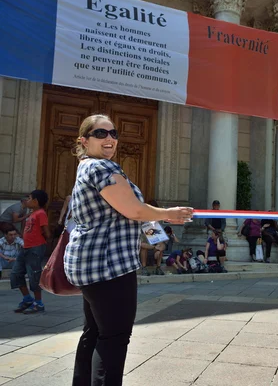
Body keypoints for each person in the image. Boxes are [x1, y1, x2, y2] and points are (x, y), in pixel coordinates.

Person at [64, 114, 193, 386]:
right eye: (100, 134)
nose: (110, 139)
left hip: (93, 262)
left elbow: (131, 213)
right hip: (108, 264)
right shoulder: (101, 169)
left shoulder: (88, 166)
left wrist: (156, 225)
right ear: (84, 141)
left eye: (113, 133)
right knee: (114, 337)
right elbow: (133, 210)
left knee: (95, 331)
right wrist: (169, 214)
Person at [11, 190, 51, 314]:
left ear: (35, 201)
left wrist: (42, 241)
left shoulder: (41, 214)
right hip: (26, 247)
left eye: (29, 198)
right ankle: (27, 299)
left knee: (34, 275)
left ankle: (38, 303)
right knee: (16, 273)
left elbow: (46, 231)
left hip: (35, 248)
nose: (27, 200)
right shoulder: (31, 214)